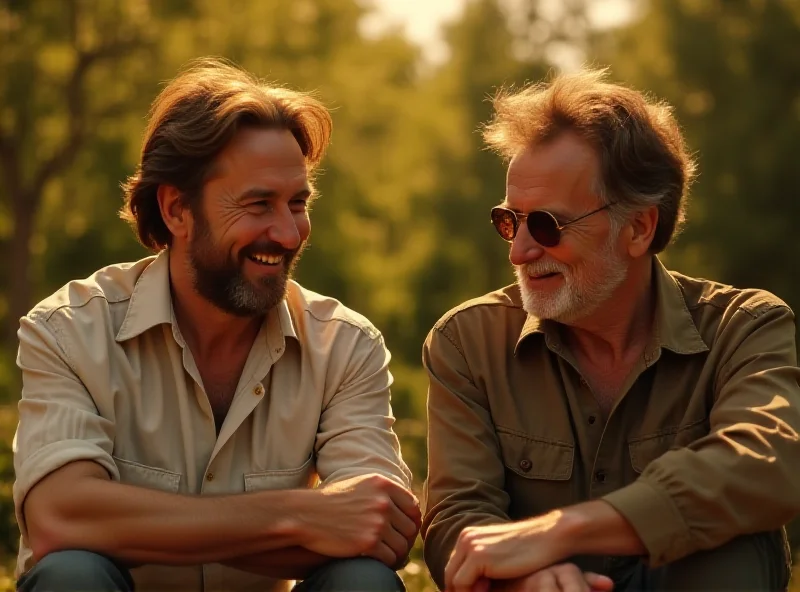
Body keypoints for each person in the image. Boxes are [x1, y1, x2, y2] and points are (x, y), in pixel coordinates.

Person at [12, 57, 420, 592]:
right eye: (258, 205)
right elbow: (61, 518)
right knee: (72, 573)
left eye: (298, 203)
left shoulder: (345, 346)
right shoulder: (69, 331)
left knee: (361, 582)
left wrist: (135, 524)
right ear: (177, 209)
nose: (289, 233)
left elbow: (376, 529)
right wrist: (300, 515)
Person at [421, 68, 800, 592]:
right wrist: (528, 579)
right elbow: (459, 516)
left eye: (548, 226)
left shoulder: (744, 326)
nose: (519, 251)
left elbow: (770, 462)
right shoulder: (468, 343)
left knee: (731, 542)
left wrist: (564, 530)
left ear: (639, 227)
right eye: (509, 221)